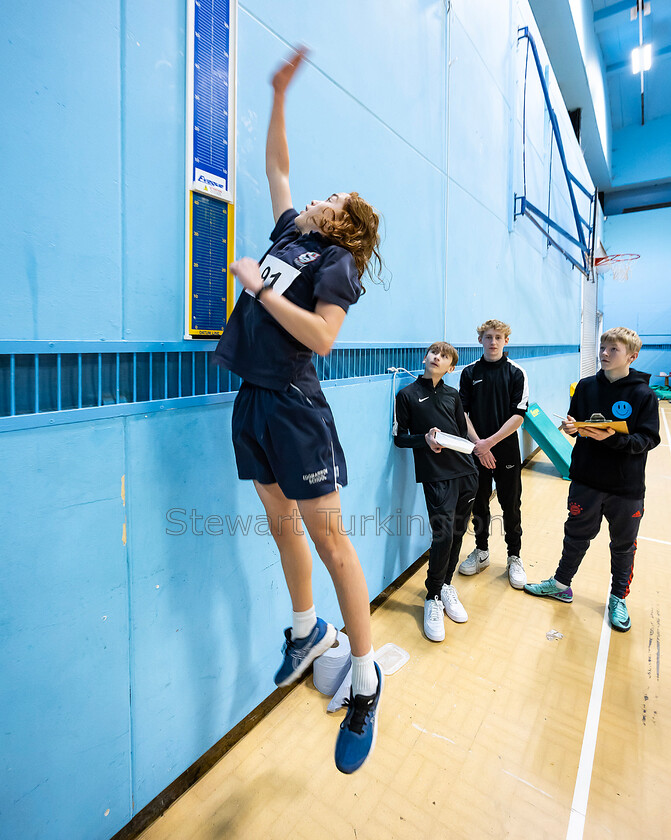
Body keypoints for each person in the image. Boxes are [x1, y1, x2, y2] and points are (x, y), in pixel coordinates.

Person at [213, 48, 383, 773]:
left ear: (343, 224)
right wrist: (278, 94)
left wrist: (258, 292)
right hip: (250, 398)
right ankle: (307, 630)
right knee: (281, 525)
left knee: (331, 543)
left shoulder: (334, 264)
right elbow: (275, 164)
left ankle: (367, 676)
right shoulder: (291, 234)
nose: (316, 196)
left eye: (331, 199)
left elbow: (321, 337)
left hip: (293, 405)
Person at [524, 327, 660, 631]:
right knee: (575, 536)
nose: (604, 354)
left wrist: (611, 439)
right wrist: (571, 428)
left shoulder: (643, 395)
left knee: (623, 546)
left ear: (632, 356)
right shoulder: (585, 387)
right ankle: (561, 584)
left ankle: (618, 598)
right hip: (586, 480)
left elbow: (648, 439)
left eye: (613, 350)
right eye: (603, 347)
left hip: (626, 487)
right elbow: (576, 420)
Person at [394, 343, 478, 641]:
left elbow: (458, 432)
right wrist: (425, 440)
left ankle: (445, 585)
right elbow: (400, 439)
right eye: (434, 353)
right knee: (442, 534)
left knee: (457, 532)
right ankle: (432, 596)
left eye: (444, 356)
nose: (437, 357)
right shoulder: (406, 395)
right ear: (425, 358)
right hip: (435, 475)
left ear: (450, 367)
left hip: (465, 471)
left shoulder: (452, 395)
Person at [457, 319, 529, 588]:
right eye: (488, 337)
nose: (493, 341)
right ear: (480, 340)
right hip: (476, 450)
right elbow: (462, 414)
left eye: (499, 337)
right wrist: (479, 444)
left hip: (506, 451)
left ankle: (514, 557)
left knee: (510, 505)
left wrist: (489, 443)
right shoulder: (468, 372)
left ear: (506, 340)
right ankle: (482, 551)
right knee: (478, 503)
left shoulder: (516, 373)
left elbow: (518, 416)